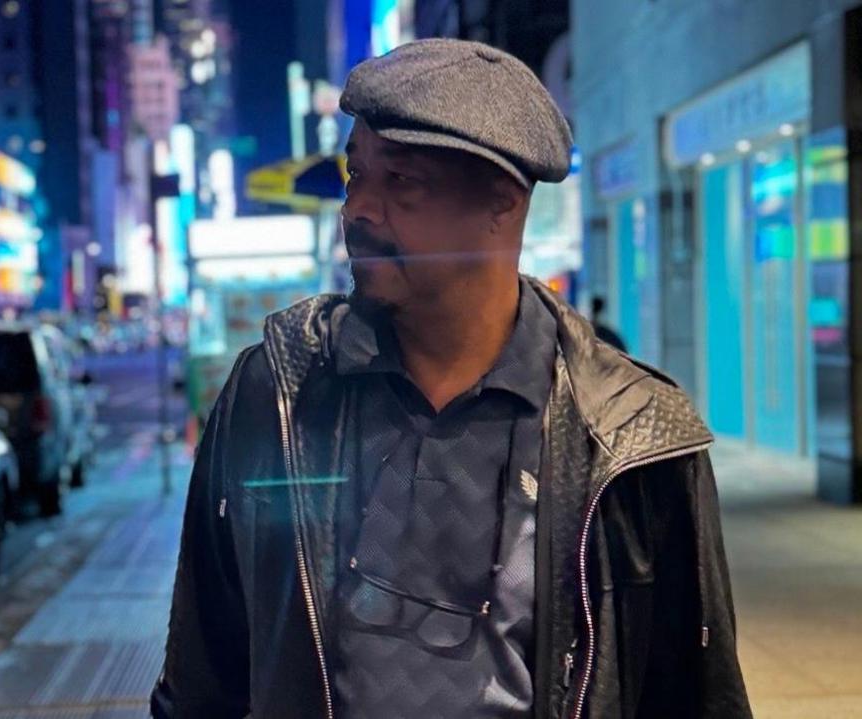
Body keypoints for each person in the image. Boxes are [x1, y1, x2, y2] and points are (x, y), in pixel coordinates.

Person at [151, 38, 751, 719]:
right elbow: (203, 672)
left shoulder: (630, 434)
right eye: (356, 176)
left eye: (401, 181)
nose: (358, 210)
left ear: (503, 200)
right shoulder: (277, 394)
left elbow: (696, 694)